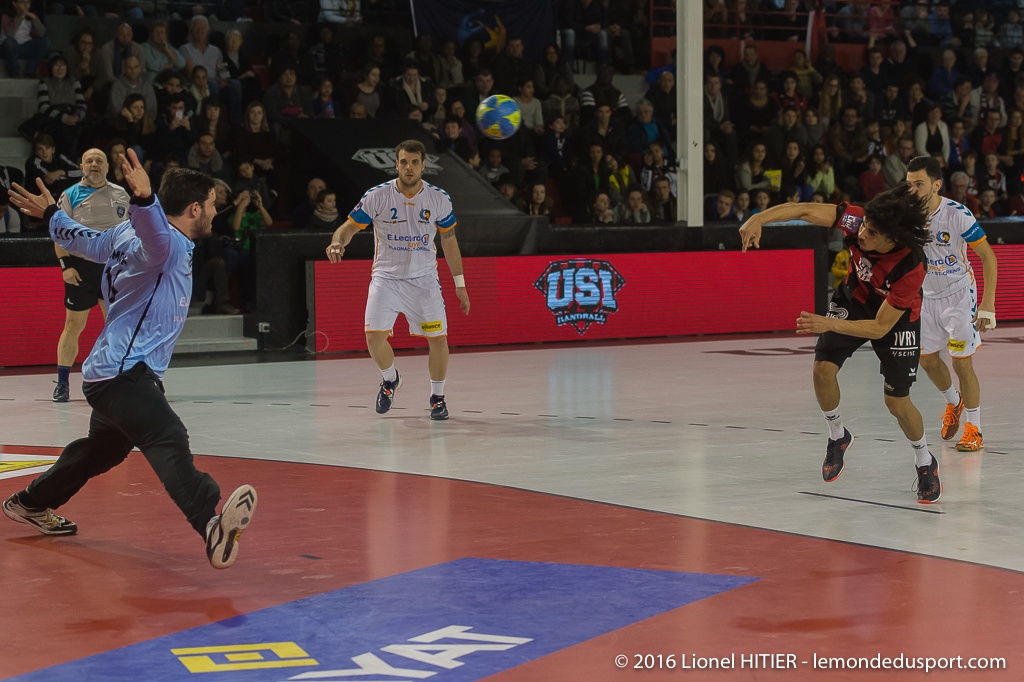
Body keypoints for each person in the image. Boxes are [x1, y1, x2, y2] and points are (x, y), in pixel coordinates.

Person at [5, 150, 257, 567]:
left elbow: (81, 238)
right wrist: (144, 202)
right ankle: (211, 527)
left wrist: (52, 212)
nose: (215, 209)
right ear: (194, 208)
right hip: (123, 374)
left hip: (110, 369)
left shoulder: (121, 235)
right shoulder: (165, 243)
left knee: (103, 451)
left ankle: (30, 503)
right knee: (168, 436)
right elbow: (154, 232)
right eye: (212, 203)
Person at [738, 183, 940, 503]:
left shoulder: (909, 267)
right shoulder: (858, 221)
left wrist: (827, 323)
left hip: (895, 319)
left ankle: (925, 461)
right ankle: (838, 436)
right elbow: (803, 210)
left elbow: (877, 328)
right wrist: (759, 218)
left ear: (893, 239)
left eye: (872, 233)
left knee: (897, 404)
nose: (862, 234)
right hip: (855, 300)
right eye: (865, 227)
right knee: (822, 370)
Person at [325, 140, 470, 421]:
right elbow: (349, 227)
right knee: (373, 338)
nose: (409, 167)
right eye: (404, 162)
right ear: (396, 164)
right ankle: (390, 380)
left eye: (414, 162)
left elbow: (449, 240)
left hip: (423, 280)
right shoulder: (377, 196)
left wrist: (460, 284)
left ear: (423, 165)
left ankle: (437, 398)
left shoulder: (438, 198)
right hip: (386, 279)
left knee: (438, 340)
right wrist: (337, 242)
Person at [905, 156, 998, 451]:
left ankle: (975, 429)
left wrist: (987, 303)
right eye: (909, 184)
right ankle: (953, 403)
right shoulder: (906, 215)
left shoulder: (957, 214)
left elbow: (988, 257)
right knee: (928, 360)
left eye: (919, 184)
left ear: (936, 185)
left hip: (959, 297)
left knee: (961, 362)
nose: (913, 190)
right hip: (927, 297)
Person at [51, 149, 130, 403]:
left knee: (117, 327)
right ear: (81, 166)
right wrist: (66, 266)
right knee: (74, 326)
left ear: (108, 166)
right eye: (89, 161)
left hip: (114, 269)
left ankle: (120, 380)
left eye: (99, 161)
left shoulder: (121, 194)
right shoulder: (70, 195)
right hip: (82, 269)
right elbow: (58, 234)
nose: (94, 164)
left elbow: (133, 232)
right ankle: (62, 384)